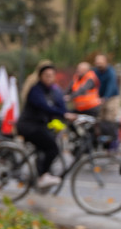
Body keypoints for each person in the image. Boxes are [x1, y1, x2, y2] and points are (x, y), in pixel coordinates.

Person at [16, 60, 78, 190]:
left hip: (39, 125)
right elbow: (45, 107)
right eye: (46, 75)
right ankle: (42, 176)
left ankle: (38, 174)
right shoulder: (36, 90)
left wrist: (70, 114)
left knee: (47, 144)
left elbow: (58, 106)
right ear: (40, 76)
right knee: (52, 148)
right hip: (29, 126)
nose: (49, 78)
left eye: (52, 75)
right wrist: (64, 114)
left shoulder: (51, 91)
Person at [95, 54, 120, 122]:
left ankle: (110, 131)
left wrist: (106, 97)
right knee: (99, 118)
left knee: (109, 118)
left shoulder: (110, 72)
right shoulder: (96, 71)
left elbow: (111, 86)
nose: (99, 65)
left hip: (111, 97)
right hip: (100, 98)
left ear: (105, 62)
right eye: (97, 63)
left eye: (100, 63)